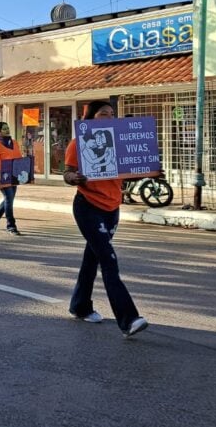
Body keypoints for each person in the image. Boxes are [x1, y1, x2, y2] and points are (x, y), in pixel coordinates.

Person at [63, 100, 148, 339]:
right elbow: (66, 173)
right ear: (90, 117)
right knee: (108, 260)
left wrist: (149, 168)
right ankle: (128, 319)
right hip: (88, 207)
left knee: (93, 258)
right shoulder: (77, 143)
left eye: (112, 114)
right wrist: (74, 178)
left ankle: (80, 306)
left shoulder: (118, 142)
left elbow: (130, 170)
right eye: (103, 114)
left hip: (112, 208)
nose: (109, 117)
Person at [0, 121, 23, 235]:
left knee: (9, 199)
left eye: (7, 128)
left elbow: (18, 159)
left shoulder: (14, 143)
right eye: (4, 129)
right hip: (2, 175)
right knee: (9, 198)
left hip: (13, 176)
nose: (7, 130)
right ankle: (11, 226)